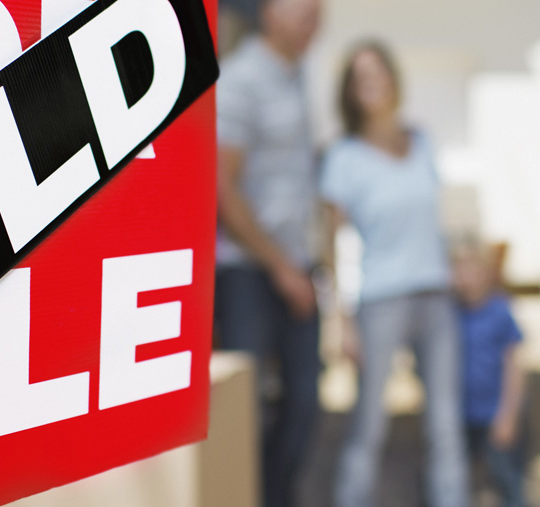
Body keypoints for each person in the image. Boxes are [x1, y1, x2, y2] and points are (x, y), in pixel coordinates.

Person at [319, 41, 469, 507]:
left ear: (393, 78)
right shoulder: (343, 157)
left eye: (378, 71)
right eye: (360, 76)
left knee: (446, 425)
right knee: (369, 425)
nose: (372, 82)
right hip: (381, 300)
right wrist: (339, 319)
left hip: (436, 294)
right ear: (349, 91)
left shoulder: (422, 141)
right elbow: (328, 245)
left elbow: (437, 223)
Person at [213, 0, 322, 505]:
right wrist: (280, 267)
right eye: (302, 5)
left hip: (299, 265)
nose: (315, 13)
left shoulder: (300, 76)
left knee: (304, 402)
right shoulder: (241, 80)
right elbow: (224, 189)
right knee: (245, 407)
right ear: (269, 11)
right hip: (248, 271)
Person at [453, 242, 527, 507]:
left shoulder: (500, 312)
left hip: (496, 415)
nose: (466, 279)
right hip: (462, 416)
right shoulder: (451, 314)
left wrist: (508, 415)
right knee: (462, 479)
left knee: (507, 479)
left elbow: (515, 367)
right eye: (459, 271)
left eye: (472, 271)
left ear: (487, 273)